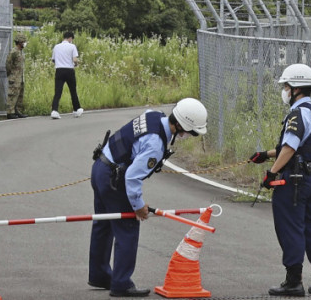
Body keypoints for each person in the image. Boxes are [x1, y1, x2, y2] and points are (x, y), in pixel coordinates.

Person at [88, 98, 208, 297]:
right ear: (179, 125)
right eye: (190, 132)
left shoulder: (154, 115)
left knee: (104, 224)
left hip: (100, 166)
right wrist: (138, 206)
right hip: (114, 179)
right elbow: (132, 177)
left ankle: (99, 275)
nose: (189, 135)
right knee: (128, 228)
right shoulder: (155, 144)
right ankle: (121, 284)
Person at [249, 64, 311, 296]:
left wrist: (272, 173)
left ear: (295, 88)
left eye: (286, 86)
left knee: (290, 227)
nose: (284, 90)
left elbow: (290, 147)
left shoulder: (297, 113)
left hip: (296, 180)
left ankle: (293, 280)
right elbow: (303, 147)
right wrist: (265, 155)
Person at [51, 30, 82, 118]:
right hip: (69, 70)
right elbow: (75, 60)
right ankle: (76, 109)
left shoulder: (56, 47)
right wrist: (76, 64)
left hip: (59, 70)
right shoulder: (72, 46)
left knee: (58, 91)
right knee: (73, 91)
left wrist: (60, 62)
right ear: (70, 38)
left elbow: (53, 60)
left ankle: (54, 110)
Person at [5, 34, 28, 119]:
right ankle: (10, 112)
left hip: (20, 77)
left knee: (20, 95)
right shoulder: (13, 52)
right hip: (14, 77)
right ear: (20, 42)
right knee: (12, 95)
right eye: (24, 42)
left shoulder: (21, 52)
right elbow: (8, 64)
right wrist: (10, 74)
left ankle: (18, 111)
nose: (25, 43)